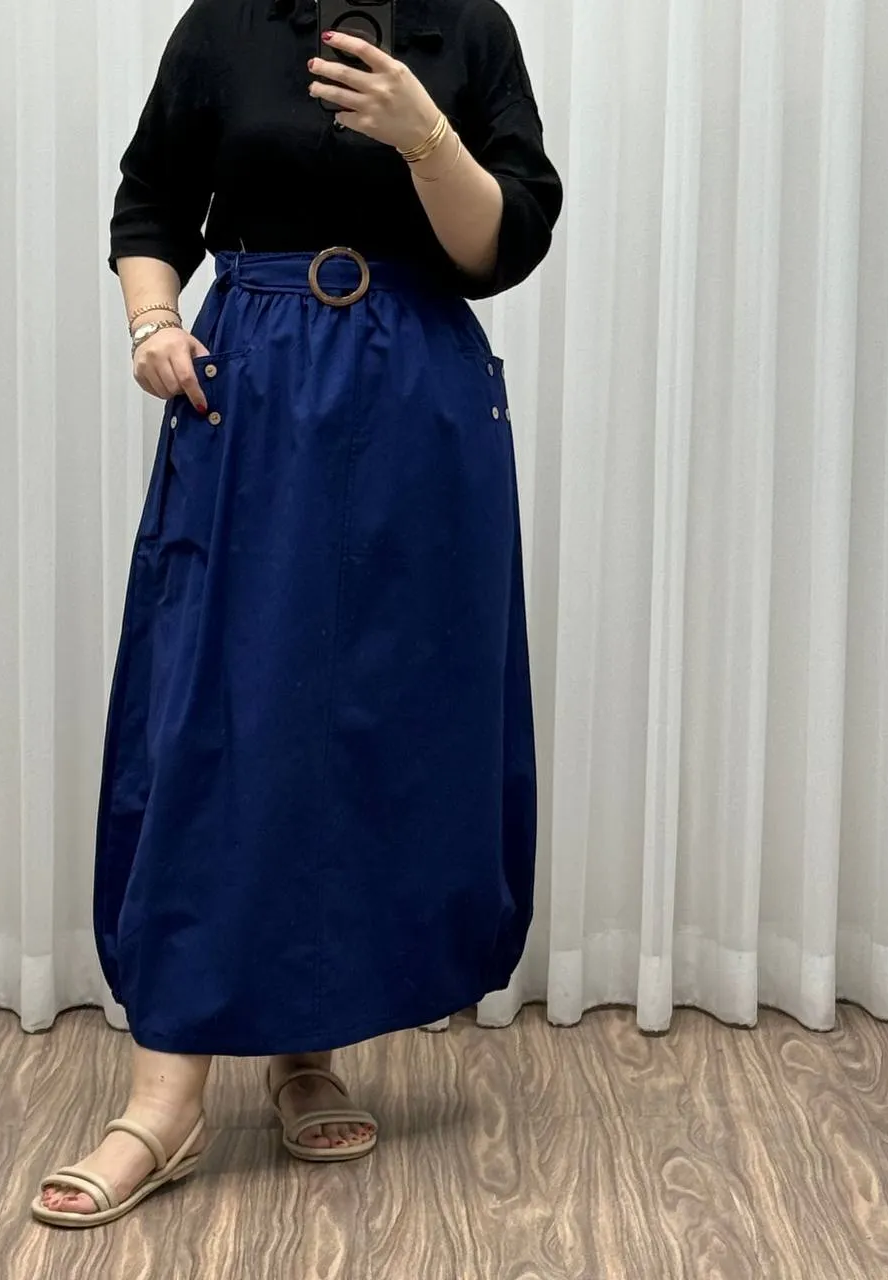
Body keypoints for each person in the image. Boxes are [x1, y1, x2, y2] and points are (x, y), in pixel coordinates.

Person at [33, 0, 562, 1227]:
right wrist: (152, 322)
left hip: (418, 402)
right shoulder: (224, 23)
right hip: (253, 392)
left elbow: (502, 246)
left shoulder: (465, 27)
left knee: (369, 724)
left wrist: (423, 132)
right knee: (217, 721)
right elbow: (150, 202)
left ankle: (305, 1043)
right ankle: (163, 1095)